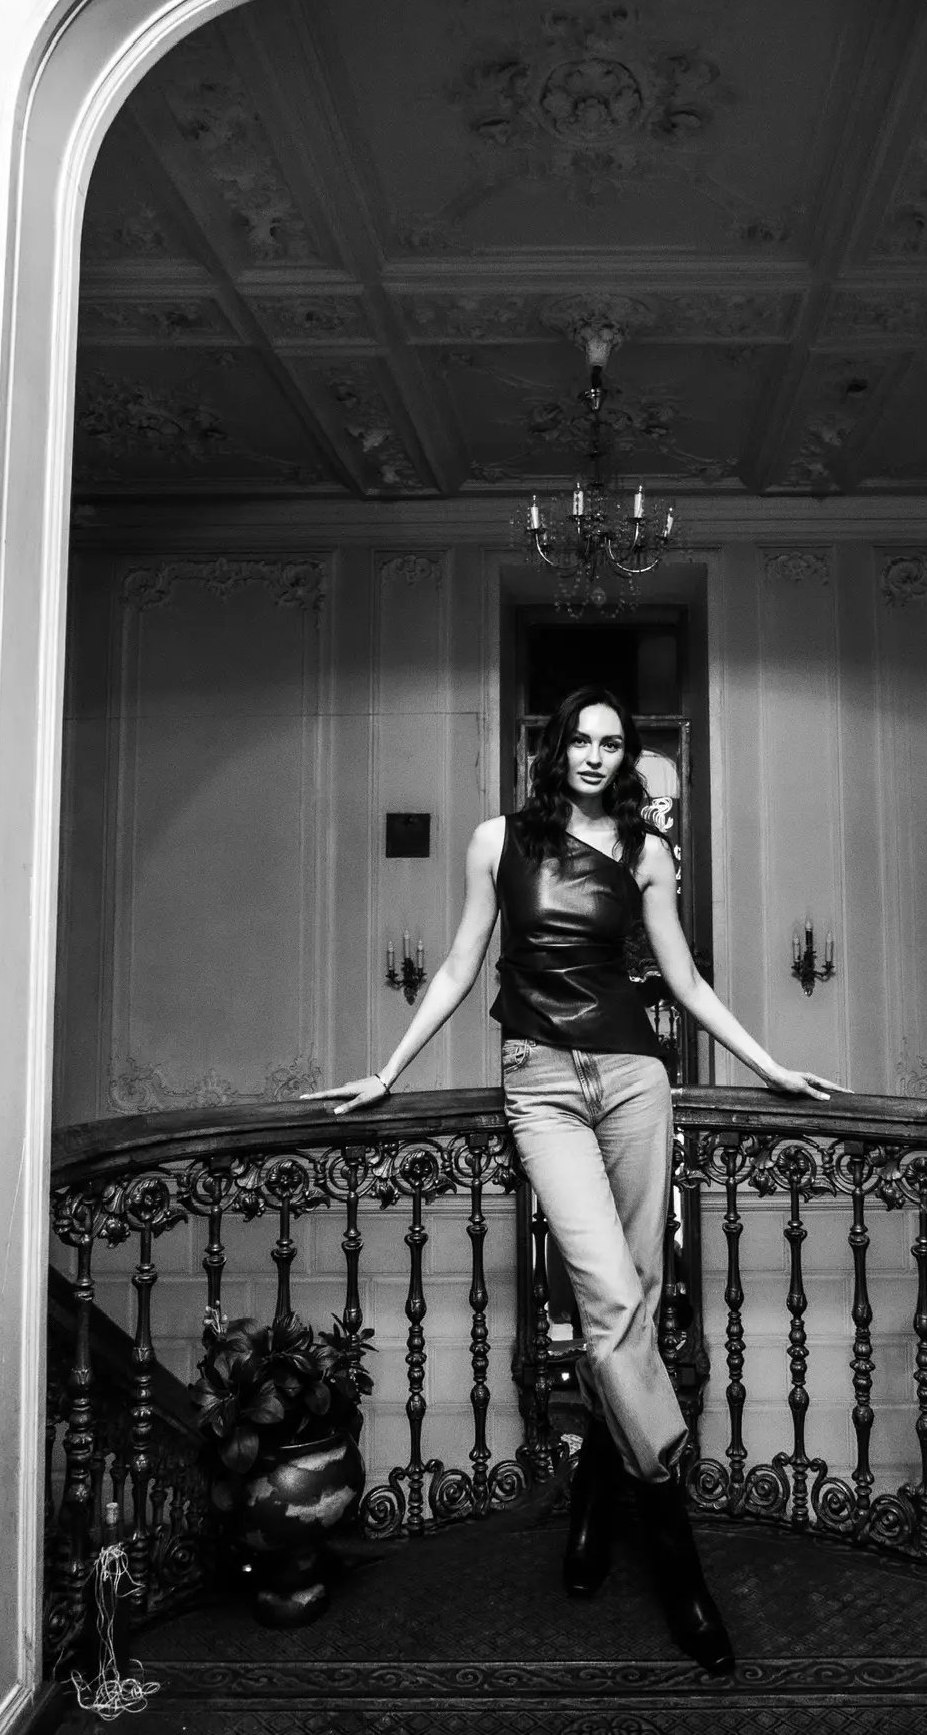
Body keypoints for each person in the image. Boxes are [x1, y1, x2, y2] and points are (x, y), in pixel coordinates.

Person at [305, 684, 847, 1674]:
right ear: (556, 750)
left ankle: (594, 1504)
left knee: (636, 1296)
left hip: (637, 1077)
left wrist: (770, 1066)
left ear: (627, 757)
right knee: (608, 1298)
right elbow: (461, 965)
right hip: (541, 1082)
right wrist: (387, 1072)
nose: (596, 755)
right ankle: (679, 1559)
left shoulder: (647, 851)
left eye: (613, 742)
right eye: (582, 740)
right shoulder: (497, 842)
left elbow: (684, 980)